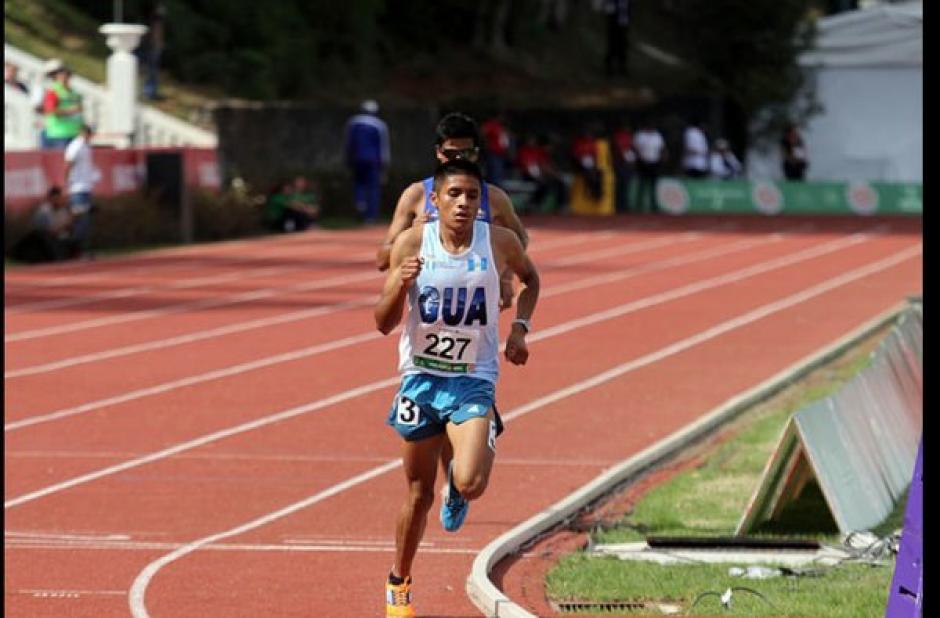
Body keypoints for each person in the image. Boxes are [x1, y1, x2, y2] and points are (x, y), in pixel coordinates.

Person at [375, 159, 540, 618]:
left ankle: (475, 446)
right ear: (436, 201)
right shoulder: (412, 243)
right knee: (417, 494)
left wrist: (520, 329)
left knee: (468, 483)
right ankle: (399, 582)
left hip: (473, 379)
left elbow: (533, 280)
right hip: (420, 379)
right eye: (454, 195)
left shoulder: (500, 243)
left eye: (472, 195)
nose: (464, 203)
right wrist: (398, 285)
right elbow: (382, 323)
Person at [376, 111, 529, 508]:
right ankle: (455, 483)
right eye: (450, 152)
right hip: (429, 315)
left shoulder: (491, 197)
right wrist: (416, 238)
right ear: (437, 153)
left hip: (474, 327)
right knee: (438, 424)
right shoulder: (415, 195)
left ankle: (461, 478)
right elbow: (382, 256)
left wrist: (504, 275)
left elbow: (519, 242)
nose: (457, 158)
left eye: (466, 152)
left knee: (461, 422)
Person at [344, 99, 390, 223]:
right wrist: (385, 165)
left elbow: (349, 144)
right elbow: (384, 147)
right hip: (373, 161)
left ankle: (360, 203)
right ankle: (370, 216)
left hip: (357, 159)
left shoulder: (353, 122)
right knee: (373, 187)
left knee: (359, 183)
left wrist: (348, 161)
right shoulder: (379, 125)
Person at [10, 186, 75, 263]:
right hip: (47, 241)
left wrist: (68, 224)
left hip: (61, 240)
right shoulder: (43, 212)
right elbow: (44, 230)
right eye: (55, 198)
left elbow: (68, 228)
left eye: (59, 198)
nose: (57, 200)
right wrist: (61, 227)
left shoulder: (64, 211)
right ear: (50, 198)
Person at [64, 124, 99, 258]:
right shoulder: (76, 146)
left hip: (85, 187)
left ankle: (83, 250)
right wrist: (67, 184)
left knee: (86, 221)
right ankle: (78, 251)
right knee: (80, 221)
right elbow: (68, 163)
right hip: (77, 188)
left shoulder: (86, 147)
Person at [516, 133, 567, 214]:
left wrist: (553, 175)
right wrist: (539, 176)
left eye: (533, 140)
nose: (532, 142)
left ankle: (561, 205)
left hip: (539, 175)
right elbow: (526, 167)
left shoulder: (537, 151)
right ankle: (533, 204)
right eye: (530, 140)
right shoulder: (523, 151)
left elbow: (543, 165)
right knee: (543, 184)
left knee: (560, 182)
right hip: (527, 175)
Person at [42, 63, 83, 150]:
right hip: (58, 134)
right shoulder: (53, 91)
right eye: (61, 74)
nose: (65, 76)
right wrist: (70, 110)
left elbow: (79, 112)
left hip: (74, 133)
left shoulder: (73, 92)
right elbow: (50, 110)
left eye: (67, 74)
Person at [632, 118, 667, 213]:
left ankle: (654, 206)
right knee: (642, 185)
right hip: (642, 163)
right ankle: (638, 207)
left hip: (654, 163)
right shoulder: (640, 135)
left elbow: (662, 149)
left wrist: (662, 160)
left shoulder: (657, 136)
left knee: (653, 186)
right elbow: (635, 149)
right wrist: (639, 160)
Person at [481, 112, 512, 188]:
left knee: (499, 173)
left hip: (502, 154)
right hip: (493, 153)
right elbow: (483, 133)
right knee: (495, 174)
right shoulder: (491, 125)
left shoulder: (502, 127)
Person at [610, 122, 636, 213]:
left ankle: (624, 206)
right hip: (619, 164)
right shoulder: (618, 136)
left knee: (626, 186)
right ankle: (618, 206)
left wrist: (631, 160)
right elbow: (619, 148)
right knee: (619, 186)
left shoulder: (629, 136)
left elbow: (631, 149)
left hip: (627, 164)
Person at [602, 0, 631, 77]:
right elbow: (609, 7)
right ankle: (609, 67)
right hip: (613, 18)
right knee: (612, 42)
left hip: (622, 16)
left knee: (622, 42)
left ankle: (621, 66)